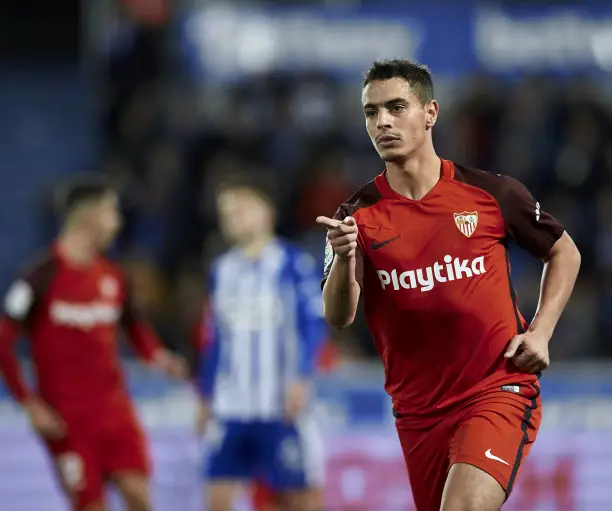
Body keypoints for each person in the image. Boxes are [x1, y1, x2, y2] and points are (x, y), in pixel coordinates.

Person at [317, 59, 581, 511]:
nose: (382, 121)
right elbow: (338, 316)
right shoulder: (354, 217)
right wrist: (344, 259)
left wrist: (540, 330)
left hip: (497, 388)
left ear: (430, 113)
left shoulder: (491, 194)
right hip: (418, 414)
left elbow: (564, 252)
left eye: (397, 107)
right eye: (371, 112)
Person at [0, 177, 187, 511]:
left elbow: (135, 327)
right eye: (112, 212)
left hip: (115, 413)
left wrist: (157, 356)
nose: (117, 222)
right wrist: (28, 403)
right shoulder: (40, 276)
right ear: (90, 217)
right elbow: (3, 341)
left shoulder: (114, 277)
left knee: (140, 499)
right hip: (66, 422)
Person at [197, 173, 326, 511]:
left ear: (266, 212)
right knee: (217, 497)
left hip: (278, 405)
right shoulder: (221, 271)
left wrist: (301, 378)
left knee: (299, 498)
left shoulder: (292, 264)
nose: (232, 218)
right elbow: (214, 340)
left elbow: (312, 326)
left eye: (241, 208)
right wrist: (205, 395)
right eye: (226, 212)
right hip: (231, 407)